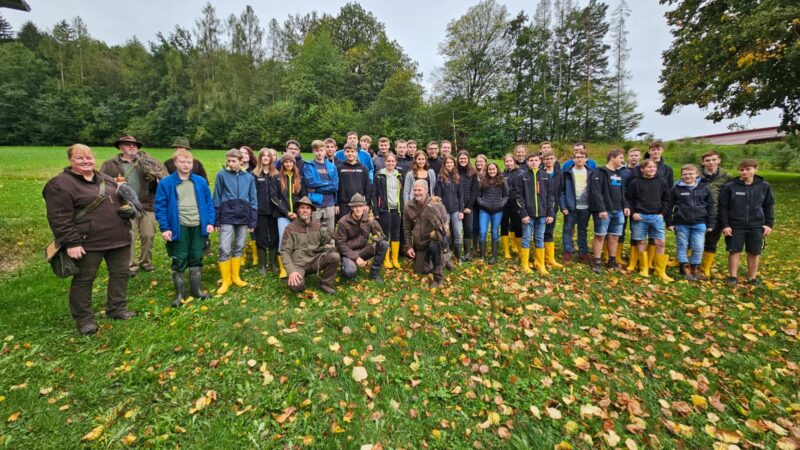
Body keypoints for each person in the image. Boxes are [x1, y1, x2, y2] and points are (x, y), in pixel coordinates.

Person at [43, 144, 135, 335]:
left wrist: (130, 210)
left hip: (118, 237)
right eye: (80, 158)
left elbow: (122, 200)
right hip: (87, 242)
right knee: (84, 279)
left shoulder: (106, 179)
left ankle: (117, 308)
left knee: (121, 273)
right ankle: (84, 319)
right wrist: (71, 242)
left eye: (89, 158)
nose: (86, 161)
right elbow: (59, 217)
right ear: (70, 160)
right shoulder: (60, 184)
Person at [154, 149, 216, 307]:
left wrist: (210, 222)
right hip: (178, 226)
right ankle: (180, 294)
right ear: (175, 163)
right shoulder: (166, 183)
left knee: (196, 255)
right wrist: (165, 228)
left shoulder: (200, 182)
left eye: (189, 162)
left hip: (198, 225)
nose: (186, 165)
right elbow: (160, 207)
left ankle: (196, 291)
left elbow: (209, 203)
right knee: (180, 257)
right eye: (182, 162)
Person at [100, 135, 161, 277]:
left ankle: (146, 263)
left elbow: (160, 180)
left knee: (148, 234)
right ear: (120, 147)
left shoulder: (146, 163)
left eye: (134, 144)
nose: (132, 146)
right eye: (127, 144)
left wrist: (156, 177)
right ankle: (130, 266)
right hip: (125, 206)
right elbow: (101, 185)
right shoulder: (109, 164)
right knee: (130, 236)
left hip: (146, 205)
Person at [718, 159, 774, 286]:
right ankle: (732, 277)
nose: (744, 172)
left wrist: (769, 224)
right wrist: (725, 225)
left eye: (748, 169)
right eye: (742, 169)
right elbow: (723, 207)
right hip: (735, 225)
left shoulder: (764, 186)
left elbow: (769, 206)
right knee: (734, 250)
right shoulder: (730, 186)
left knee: (754, 252)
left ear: (755, 169)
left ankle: (752, 277)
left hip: (756, 225)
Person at [213, 149, 257, 294]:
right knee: (224, 248)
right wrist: (217, 219)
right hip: (227, 216)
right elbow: (217, 197)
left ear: (240, 161)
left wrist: (252, 220)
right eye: (229, 161)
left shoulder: (249, 177)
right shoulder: (222, 175)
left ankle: (235, 276)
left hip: (243, 216)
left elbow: (253, 199)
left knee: (239, 246)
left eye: (233, 161)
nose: (230, 164)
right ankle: (226, 280)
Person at [626, 159, 673, 282]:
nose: (652, 169)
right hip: (640, 216)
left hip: (656, 217)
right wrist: (633, 213)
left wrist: (662, 213)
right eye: (649, 167)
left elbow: (667, 199)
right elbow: (628, 199)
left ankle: (660, 270)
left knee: (660, 243)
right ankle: (644, 267)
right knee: (641, 241)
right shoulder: (635, 183)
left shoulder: (662, 181)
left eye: (654, 167)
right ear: (642, 169)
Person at [282, 197, 340, 294]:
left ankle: (325, 284)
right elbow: (285, 252)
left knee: (334, 256)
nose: (305, 210)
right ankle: (301, 278)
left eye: (307, 208)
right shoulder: (290, 228)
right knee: (295, 286)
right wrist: (291, 271)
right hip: (299, 263)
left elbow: (327, 242)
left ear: (311, 211)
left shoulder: (318, 226)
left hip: (315, 261)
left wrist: (329, 239)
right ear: (297, 210)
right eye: (302, 208)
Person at [667, 164, 715, 280]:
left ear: (697, 174)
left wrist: (711, 223)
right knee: (682, 245)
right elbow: (669, 206)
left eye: (690, 173)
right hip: (681, 223)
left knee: (698, 246)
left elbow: (710, 206)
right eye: (685, 174)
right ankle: (684, 267)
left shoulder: (704, 188)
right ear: (681, 175)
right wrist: (669, 222)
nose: (687, 176)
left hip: (699, 223)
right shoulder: (676, 188)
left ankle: (695, 267)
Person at [588, 149, 629, 274]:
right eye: (620, 157)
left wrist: (625, 206)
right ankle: (597, 261)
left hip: (618, 211)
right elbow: (596, 192)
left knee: (614, 236)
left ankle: (611, 260)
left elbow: (623, 192)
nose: (623, 160)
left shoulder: (618, 174)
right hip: (604, 211)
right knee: (600, 236)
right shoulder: (599, 172)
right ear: (612, 157)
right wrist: (601, 209)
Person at [404, 180, 450, 288]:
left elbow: (445, 222)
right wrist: (409, 246)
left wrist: (441, 235)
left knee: (435, 244)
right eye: (415, 190)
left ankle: (438, 278)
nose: (417, 192)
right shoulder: (408, 206)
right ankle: (444, 260)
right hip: (420, 243)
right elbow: (406, 228)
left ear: (426, 190)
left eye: (419, 190)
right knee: (420, 270)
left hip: (433, 240)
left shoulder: (436, 203)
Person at [515, 153, 555, 274]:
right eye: (531, 160)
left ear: (540, 161)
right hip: (528, 215)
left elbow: (551, 196)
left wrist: (550, 213)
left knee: (539, 237)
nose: (533, 162)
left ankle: (540, 263)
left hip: (542, 214)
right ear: (527, 162)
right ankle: (525, 264)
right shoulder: (522, 176)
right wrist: (523, 213)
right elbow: (518, 196)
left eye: (536, 160)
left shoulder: (546, 176)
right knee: (526, 237)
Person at [335, 194, 389, 282]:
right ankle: (345, 266)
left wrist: (378, 236)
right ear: (351, 207)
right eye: (355, 206)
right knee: (350, 272)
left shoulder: (368, 218)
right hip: (349, 252)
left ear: (364, 206)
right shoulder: (343, 222)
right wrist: (356, 258)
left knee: (384, 244)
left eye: (360, 206)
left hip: (363, 250)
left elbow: (379, 235)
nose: (358, 209)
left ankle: (374, 273)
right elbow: (341, 245)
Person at [698, 150, 734, 278]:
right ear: (703, 162)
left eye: (714, 160)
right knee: (692, 239)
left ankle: (705, 267)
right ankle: (687, 262)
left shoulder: (727, 177)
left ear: (719, 160)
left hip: (717, 213)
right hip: (698, 213)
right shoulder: (696, 175)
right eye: (707, 160)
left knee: (711, 241)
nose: (711, 163)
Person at [272, 152, 306, 278]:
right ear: (282, 163)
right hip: (283, 215)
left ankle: (297, 264)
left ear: (294, 163)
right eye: (285, 162)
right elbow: (274, 197)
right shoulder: (277, 178)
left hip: (297, 215)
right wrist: (286, 212)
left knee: (298, 240)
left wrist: (298, 212)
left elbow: (304, 195)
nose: (288, 164)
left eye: (290, 162)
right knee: (283, 240)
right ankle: (283, 268)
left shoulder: (300, 178)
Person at [560, 147, 594, 263]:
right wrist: (563, 206)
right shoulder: (567, 173)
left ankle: (583, 253)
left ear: (586, 159)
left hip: (585, 207)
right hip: (571, 207)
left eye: (582, 157)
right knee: (568, 230)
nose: (579, 159)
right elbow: (562, 192)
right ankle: (567, 252)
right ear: (573, 159)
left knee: (582, 230)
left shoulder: (591, 173)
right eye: (577, 157)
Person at [374, 153, 404, 269]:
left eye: (393, 161)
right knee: (386, 234)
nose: (390, 163)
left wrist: (402, 208)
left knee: (396, 233)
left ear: (396, 162)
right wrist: (376, 211)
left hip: (397, 210)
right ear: (385, 162)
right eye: (388, 161)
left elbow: (402, 193)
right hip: (384, 209)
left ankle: (395, 258)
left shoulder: (400, 175)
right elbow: (374, 193)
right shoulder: (379, 175)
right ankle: (386, 259)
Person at [253, 148, 280, 275]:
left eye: (268, 156)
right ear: (260, 158)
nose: (265, 158)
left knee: (274, 237)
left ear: (271, 158)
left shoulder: (276, 174)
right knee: (261, 237)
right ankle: (262, 265)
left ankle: (273, 263)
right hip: (260, 211)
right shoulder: (254, 175)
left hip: (274, 211)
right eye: (263, 156)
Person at [303, 139, 339, 235]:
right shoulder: (308, 165)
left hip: (330, 203)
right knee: (314, 231)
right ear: (313, 152)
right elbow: (311, 183)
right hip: (315, 203)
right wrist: (328, 183)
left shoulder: (332, 167)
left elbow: (335, 186)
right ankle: (315, 250)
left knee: (330, 231)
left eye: (321, 150)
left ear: (325, 151)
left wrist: (317, 188)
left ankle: (329, 249)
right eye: (317, 150)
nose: (319, 153)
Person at [435, 155, 464, 263]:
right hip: (445, 211)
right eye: (447, 163)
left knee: (457, 233)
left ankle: (459, 256)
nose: (449, 165)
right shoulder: (440, 177)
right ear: (444, 164)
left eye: (451, 163)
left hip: (456, 210)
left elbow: (460, 195)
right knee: (446, 233)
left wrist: (461, 211)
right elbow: (438, 196)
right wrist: (441, 211)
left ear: (454, 164)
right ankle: (446, 255)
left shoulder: (457, 177)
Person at [477, 163, 508, 263]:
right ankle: (482, 255)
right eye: (490, 169)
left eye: (493, 169)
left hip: (497, 210)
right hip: (484, 210)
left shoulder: (502, 180)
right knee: (482, 232)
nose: (492, 171)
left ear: (497, 169)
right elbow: (478, 195)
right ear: (487, 170)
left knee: (495, 232)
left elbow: (506, 195)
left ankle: (494, 257)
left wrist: (501, 204)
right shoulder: (483, 180)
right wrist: (482, 203)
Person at [541, 150, 564, 269]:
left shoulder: (560, 174)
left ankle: (550, 258)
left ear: (555, 160)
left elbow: (561, 191)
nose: (549, 161)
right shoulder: (540, 173)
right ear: (543, 161)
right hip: (540, 207)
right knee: (539, 232)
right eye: (546, 159)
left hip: (553, 207)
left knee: (549, 231)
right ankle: (539, 256)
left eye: (551, 158)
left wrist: (561, 206)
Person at [337, 142, 372, 220]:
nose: (350, 154)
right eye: (348, 151)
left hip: (359, 204)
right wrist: (336, 204)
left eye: (352, 151)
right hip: (344, 204)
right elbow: (336, 187)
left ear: (356, 153)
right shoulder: (339, 168)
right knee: (345, 226)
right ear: (344, 153)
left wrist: (367, 204)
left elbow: (368, 188)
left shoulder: (363, 169)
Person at [456, 150, 479, 260]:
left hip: (468, 205)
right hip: (456, 205)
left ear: (468, 159)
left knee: (468, 228)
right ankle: (455, 251)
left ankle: (467, 252)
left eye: (465, 158)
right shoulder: (454, 171)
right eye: (461, 158)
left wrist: (469, 206)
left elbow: (475, 190)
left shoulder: (473, 172)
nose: (463, 160)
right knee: (455, 229)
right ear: (458, 159)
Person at [501, 155, 522, 260]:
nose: (508, 163)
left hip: (516, 203)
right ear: (504, 162)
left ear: (514, 162)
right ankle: (506, 251)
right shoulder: (502, 174)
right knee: (504, 224)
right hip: (504, 204)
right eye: (506, 161)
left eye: (510, 161)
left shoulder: (520, 173)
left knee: (517, 225)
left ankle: (519, 249)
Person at [471, 154, 489, 257]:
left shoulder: (488, 174)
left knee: (483, 227)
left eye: (481, 161)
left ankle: (482, 247)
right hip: (474, 204)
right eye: (478, 161)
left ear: (485, 163)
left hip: (484, 204)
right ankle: (475, 247)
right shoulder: (473, 174)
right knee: (474, 226)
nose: (479, 163)